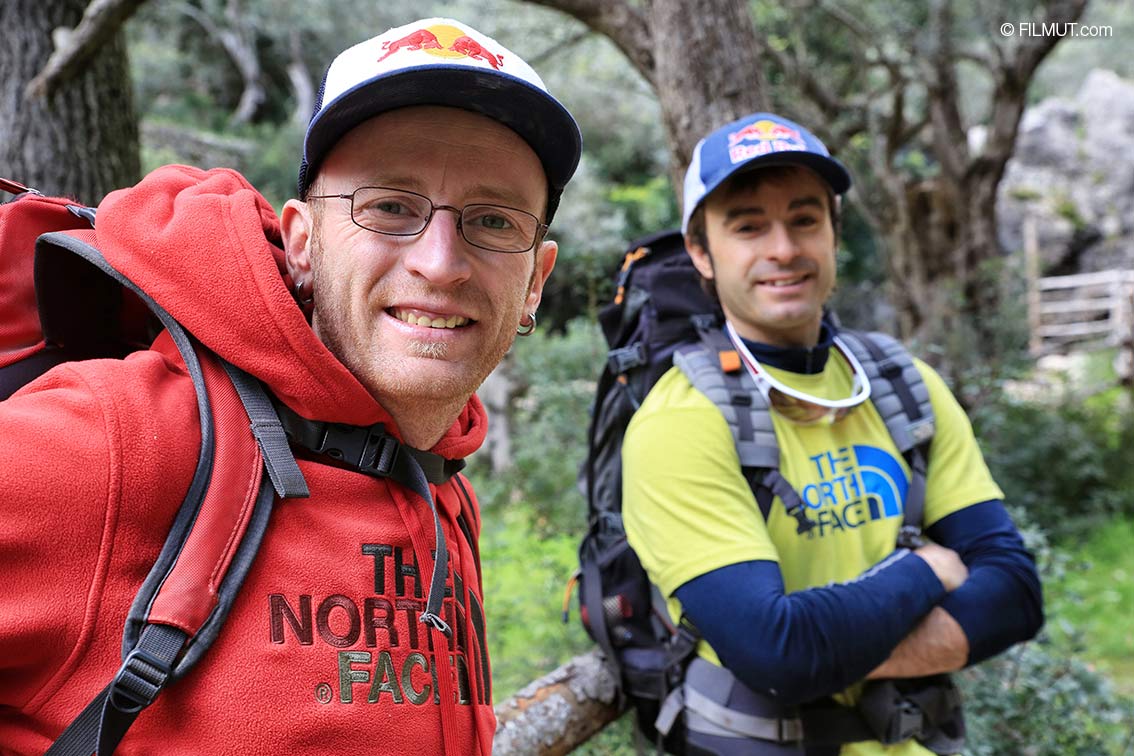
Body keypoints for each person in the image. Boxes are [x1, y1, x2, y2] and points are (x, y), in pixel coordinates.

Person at [0, 17, 579, 756]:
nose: (441, 263)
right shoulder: (118, 439)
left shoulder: (439, 475)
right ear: (303, 242)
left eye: (493, 220)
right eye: (390, 206)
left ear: (536, 281)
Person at [621, 112, 1043, 755]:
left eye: (804, 219)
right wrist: (931, 569)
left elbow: (1015, 594)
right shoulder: (681, 423)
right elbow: (777, 654)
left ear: (833, 234)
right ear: (701, 254)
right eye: (748, 226)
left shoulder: (905, 385)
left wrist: (827, 646)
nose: (784, 249)